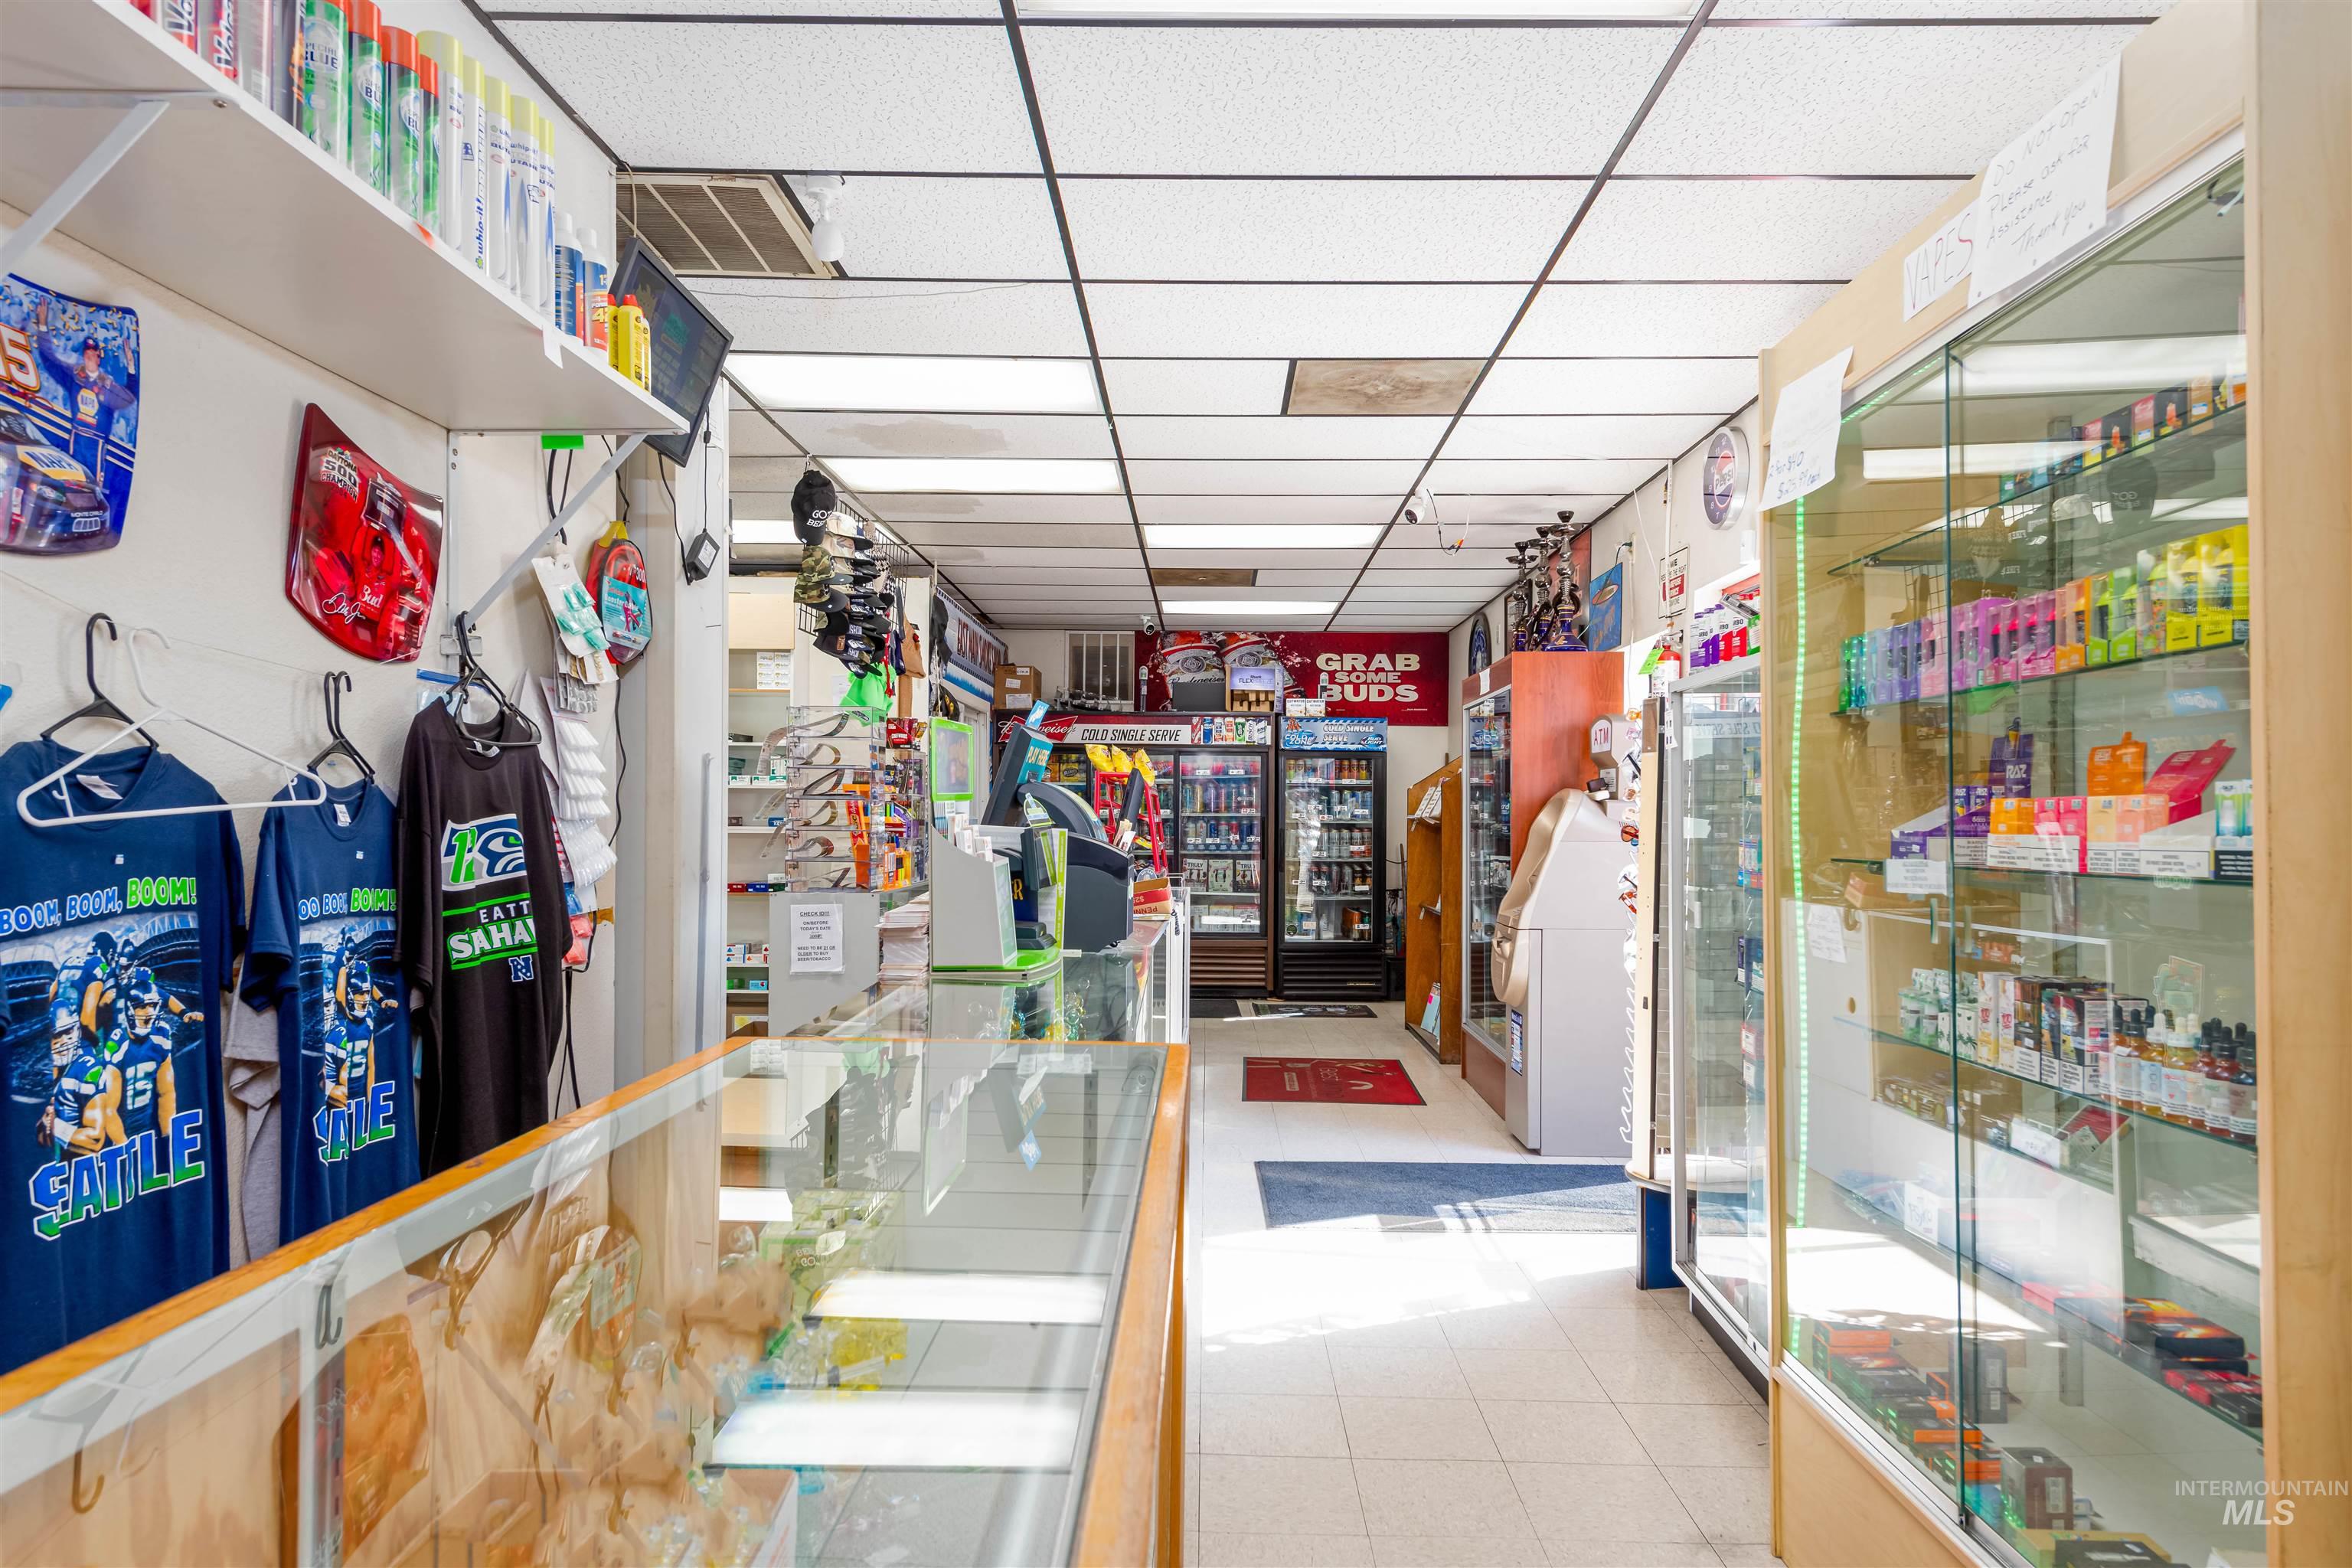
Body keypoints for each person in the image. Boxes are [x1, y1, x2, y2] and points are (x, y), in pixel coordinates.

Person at [31, 297, 136, 475]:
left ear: (98, 357)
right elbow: (50, 361)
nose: (88, 356)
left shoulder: (108, 386)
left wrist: (132, 368)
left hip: (97, 444)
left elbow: (129, 398)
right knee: (70, 482)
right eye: (86, 353)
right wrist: (42, 326)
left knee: (91, 489)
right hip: (76, 438)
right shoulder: (75, 377)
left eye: (92, 353)